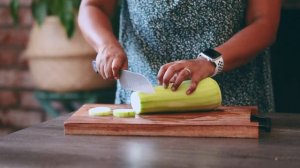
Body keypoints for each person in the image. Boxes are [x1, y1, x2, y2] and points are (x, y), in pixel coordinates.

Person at [78, 0, 281, 112]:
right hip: (139, 106)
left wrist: (209, 61)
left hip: (232, 106)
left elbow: (263, 23)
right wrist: (106, 45)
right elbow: (93, 6)